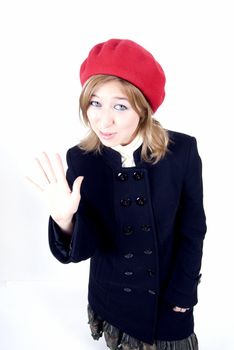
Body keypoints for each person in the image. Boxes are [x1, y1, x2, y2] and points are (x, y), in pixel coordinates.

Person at [26, 38, 207, 350]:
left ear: (144, 108)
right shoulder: (81, 158)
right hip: (111, 296)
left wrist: (183, 296)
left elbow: (192, 231)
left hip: (167, 297)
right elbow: (86, 246)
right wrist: (64, 220)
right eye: (95, 103)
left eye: (120, 106)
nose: (103, 120)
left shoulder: (182, 152)